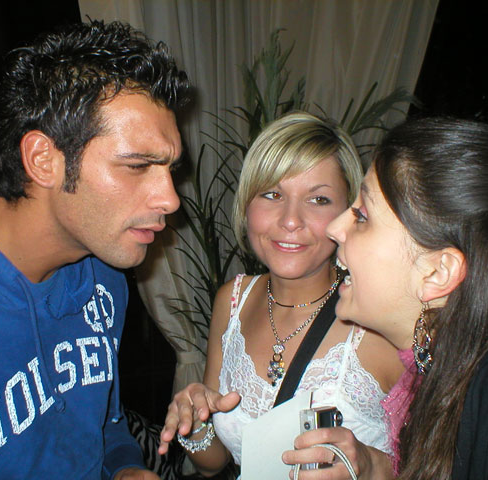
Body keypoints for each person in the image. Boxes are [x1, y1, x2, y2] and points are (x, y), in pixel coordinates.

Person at [0, 20, 189, 479]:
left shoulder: (103, 275)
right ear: (43, 160)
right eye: (138, 166)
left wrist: (124, 467)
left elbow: (104, 425)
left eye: (169, 169)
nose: (171, 199)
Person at [159, 112, 404, 478]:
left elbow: (457, 459)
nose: (290, 220)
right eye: (272, 194)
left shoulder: (380, 319)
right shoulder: (232, 300)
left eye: (318, 199)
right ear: (247, 204)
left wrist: (372, 467)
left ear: (349, 212)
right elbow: (214, 463)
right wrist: (195, 422)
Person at [293, 116, 488, 479]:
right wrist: (375, 468)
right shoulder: (437, 368)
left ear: (437, 272)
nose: (334, 228)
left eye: (362, 215)